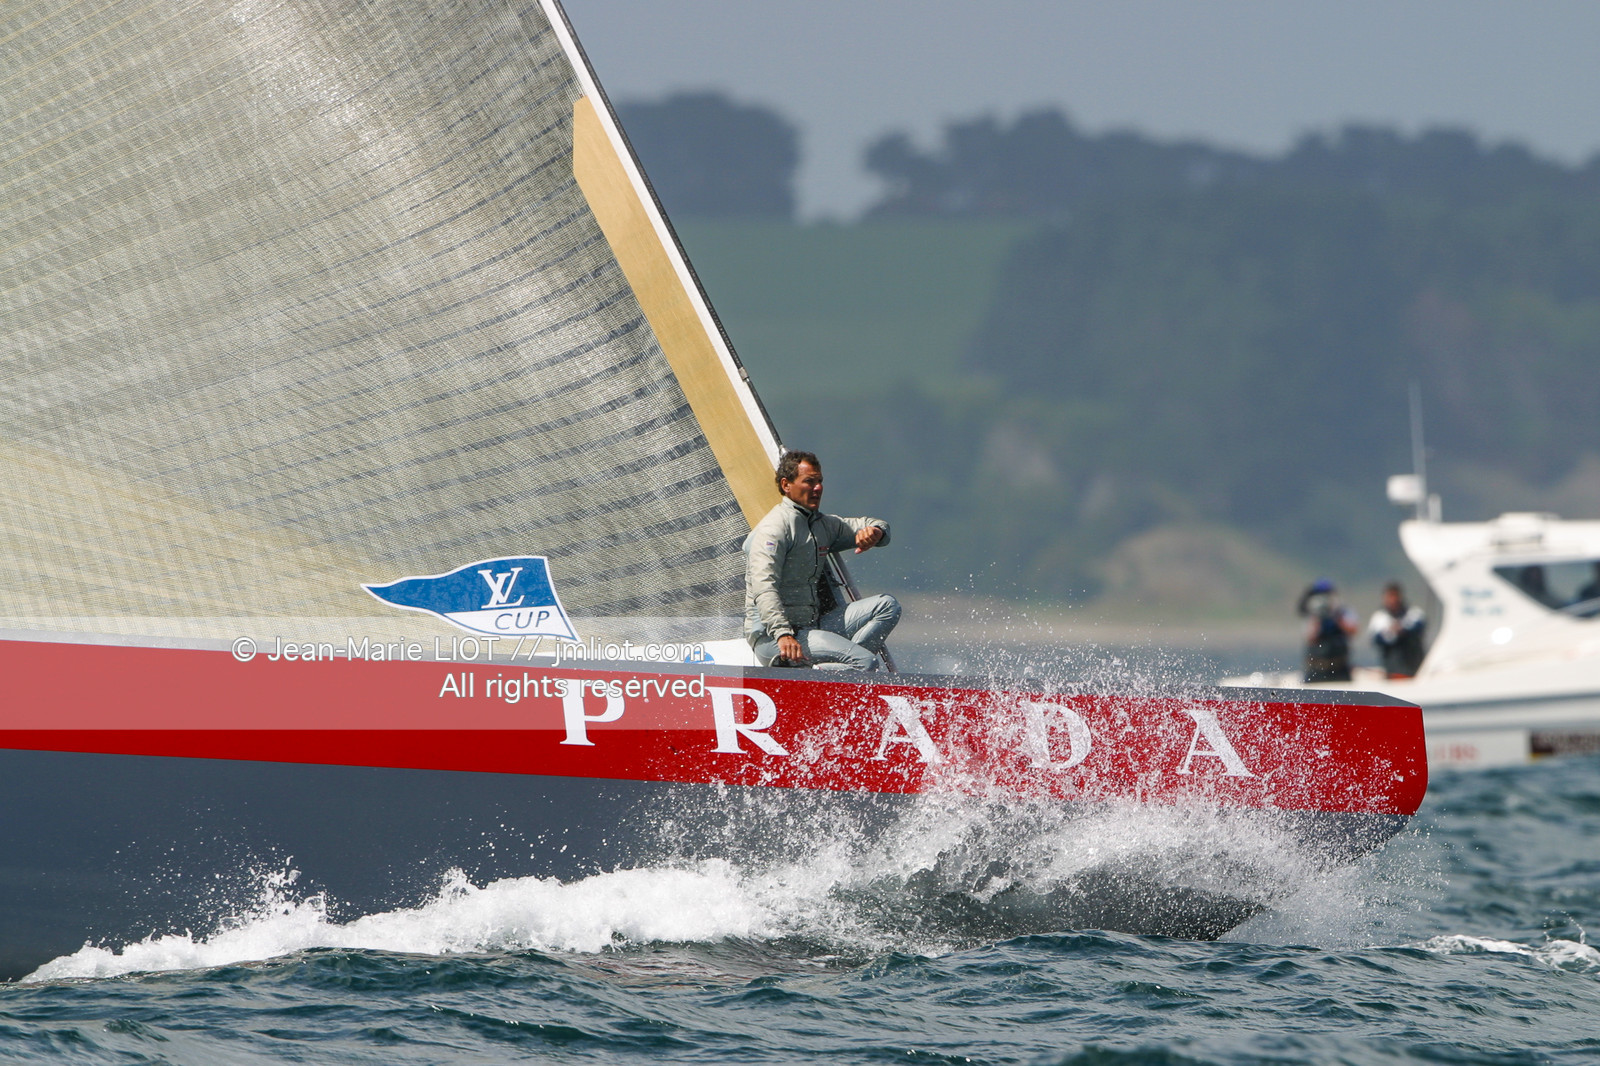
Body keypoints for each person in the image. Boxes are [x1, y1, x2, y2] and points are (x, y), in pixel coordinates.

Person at [744, 450, 900, 670]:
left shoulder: (823, 525)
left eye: (819, 481)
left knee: (887, 606)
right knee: (865, 662)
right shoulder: (773, 529)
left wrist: (875, 532)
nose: (818, 488)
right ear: (786, 484)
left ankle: (832, 670)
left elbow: (872, 524)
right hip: (776, 639)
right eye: (809, 481)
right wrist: (783, 634)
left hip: (814, 628)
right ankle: (837, 670)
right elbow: (764, 588)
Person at [1297, 578, 1358, 683]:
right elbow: (1310, 637)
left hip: (1340, 669)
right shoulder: (1311, 614)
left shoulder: (1342, 611)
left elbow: (1353, 630)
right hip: (1316, 669)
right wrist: (1317, 618)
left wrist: (1336, 617)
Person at [1368, 580, 1427, 679]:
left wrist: (1402, 630)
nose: (1393, 600)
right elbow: (1376, 639)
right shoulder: (1380, 618)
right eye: (1390, 596)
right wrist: (1391, 633)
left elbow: (1419, 626)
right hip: (1392, 670)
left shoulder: (1413, 613)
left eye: (1395, 596)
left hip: (1414, 668)